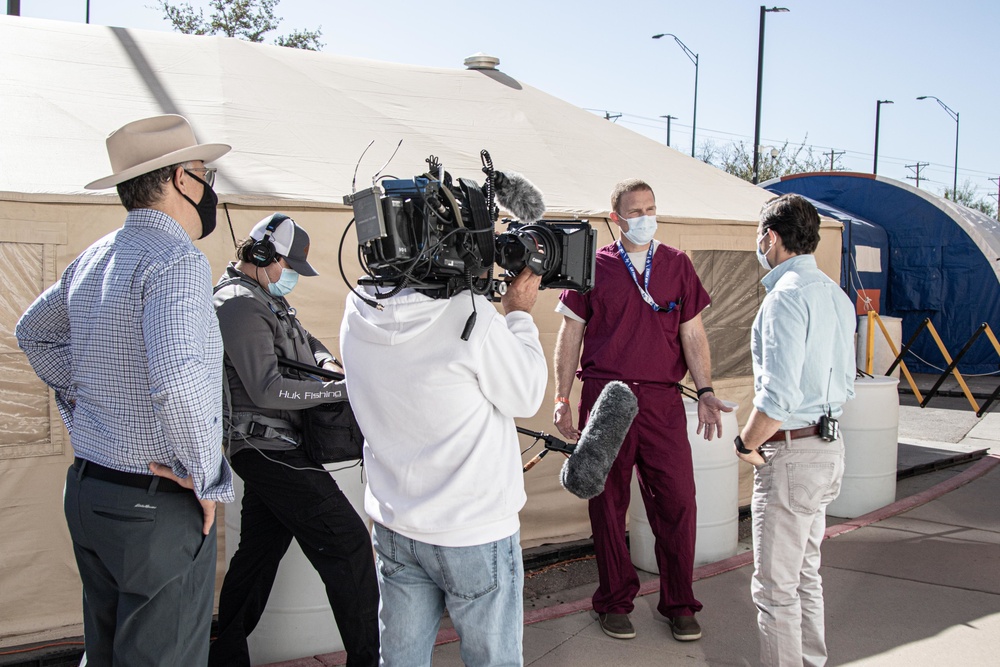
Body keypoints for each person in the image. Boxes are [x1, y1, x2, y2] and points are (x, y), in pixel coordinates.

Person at [15, 114, 234, 665]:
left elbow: (32, 333)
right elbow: (181, 384)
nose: (210, 186)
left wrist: (89, 397)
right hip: (155, 505)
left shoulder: (96, 256)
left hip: (91, 490)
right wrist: (207, 479)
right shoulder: (177, 259)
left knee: (107, 652)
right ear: (182, 178)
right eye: (205, 172)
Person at [552, 178, 731, 643]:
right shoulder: (592, 265)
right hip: (605, 396)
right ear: (616, 218)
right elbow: (569, 334)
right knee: (607, 504)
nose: (646, 217)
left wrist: (706, 389)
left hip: (661, 401)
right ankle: (614, 601)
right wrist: (561, 397)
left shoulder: (677, 264)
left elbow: (692, 334)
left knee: (678, 501)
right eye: (635, 211)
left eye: (651, 208)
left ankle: (679, 604)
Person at [340, 268, 547, 667]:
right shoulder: (471, 314)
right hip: (473, 529)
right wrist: (518, 313)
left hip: (396, 524)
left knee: (400, 660)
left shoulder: (358, 309)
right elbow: (527, 395)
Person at [209, 213, 379, 667]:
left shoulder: (265, 298)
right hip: (269, 450)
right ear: (263, 255)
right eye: (288, 266)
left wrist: (330, 364)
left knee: (259, 556)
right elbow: (265, 388)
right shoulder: (238, 304)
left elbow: (309, 344)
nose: (292, 278)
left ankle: (225, 658)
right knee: (349, 545)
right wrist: (340, 389)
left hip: (279, 449)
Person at [734, 193, 855, 666]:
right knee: (806, 576)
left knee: (775, 589)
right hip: (828, 447)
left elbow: (777, 399)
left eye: (759, 237)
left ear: (771, 237)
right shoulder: (835, 295)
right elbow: (845, 382)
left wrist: (746, 442)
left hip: (792, 454)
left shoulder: (783, 299)